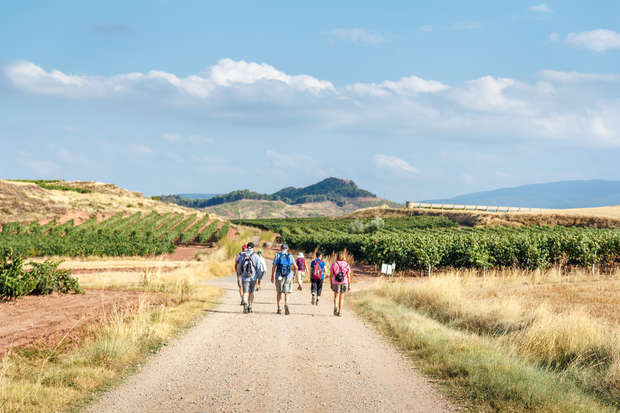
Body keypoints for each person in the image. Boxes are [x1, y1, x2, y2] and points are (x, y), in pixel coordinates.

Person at [271, 244, 297, 315]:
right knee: (286, 292)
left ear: (281, 248)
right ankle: (286, 304)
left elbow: (274, 266)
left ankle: (279, 308)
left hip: (279, 276)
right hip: (288, 276)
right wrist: (294, 275)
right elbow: (296, 267)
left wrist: (272, 276)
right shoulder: (290, 256)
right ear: (287, 249)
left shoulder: (277, 255)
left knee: (279, 292)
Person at [239, 242, 261, 314]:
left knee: (245, 292)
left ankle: (245, 302)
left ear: (247, 247)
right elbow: (258, 268)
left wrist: (240, 274)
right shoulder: (256, 256)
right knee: (251, 292)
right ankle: (250, 306)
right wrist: (259, 277)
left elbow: (239, 267)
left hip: (245, 277)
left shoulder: (243, 255)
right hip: (253, 278)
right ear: (253, 248)